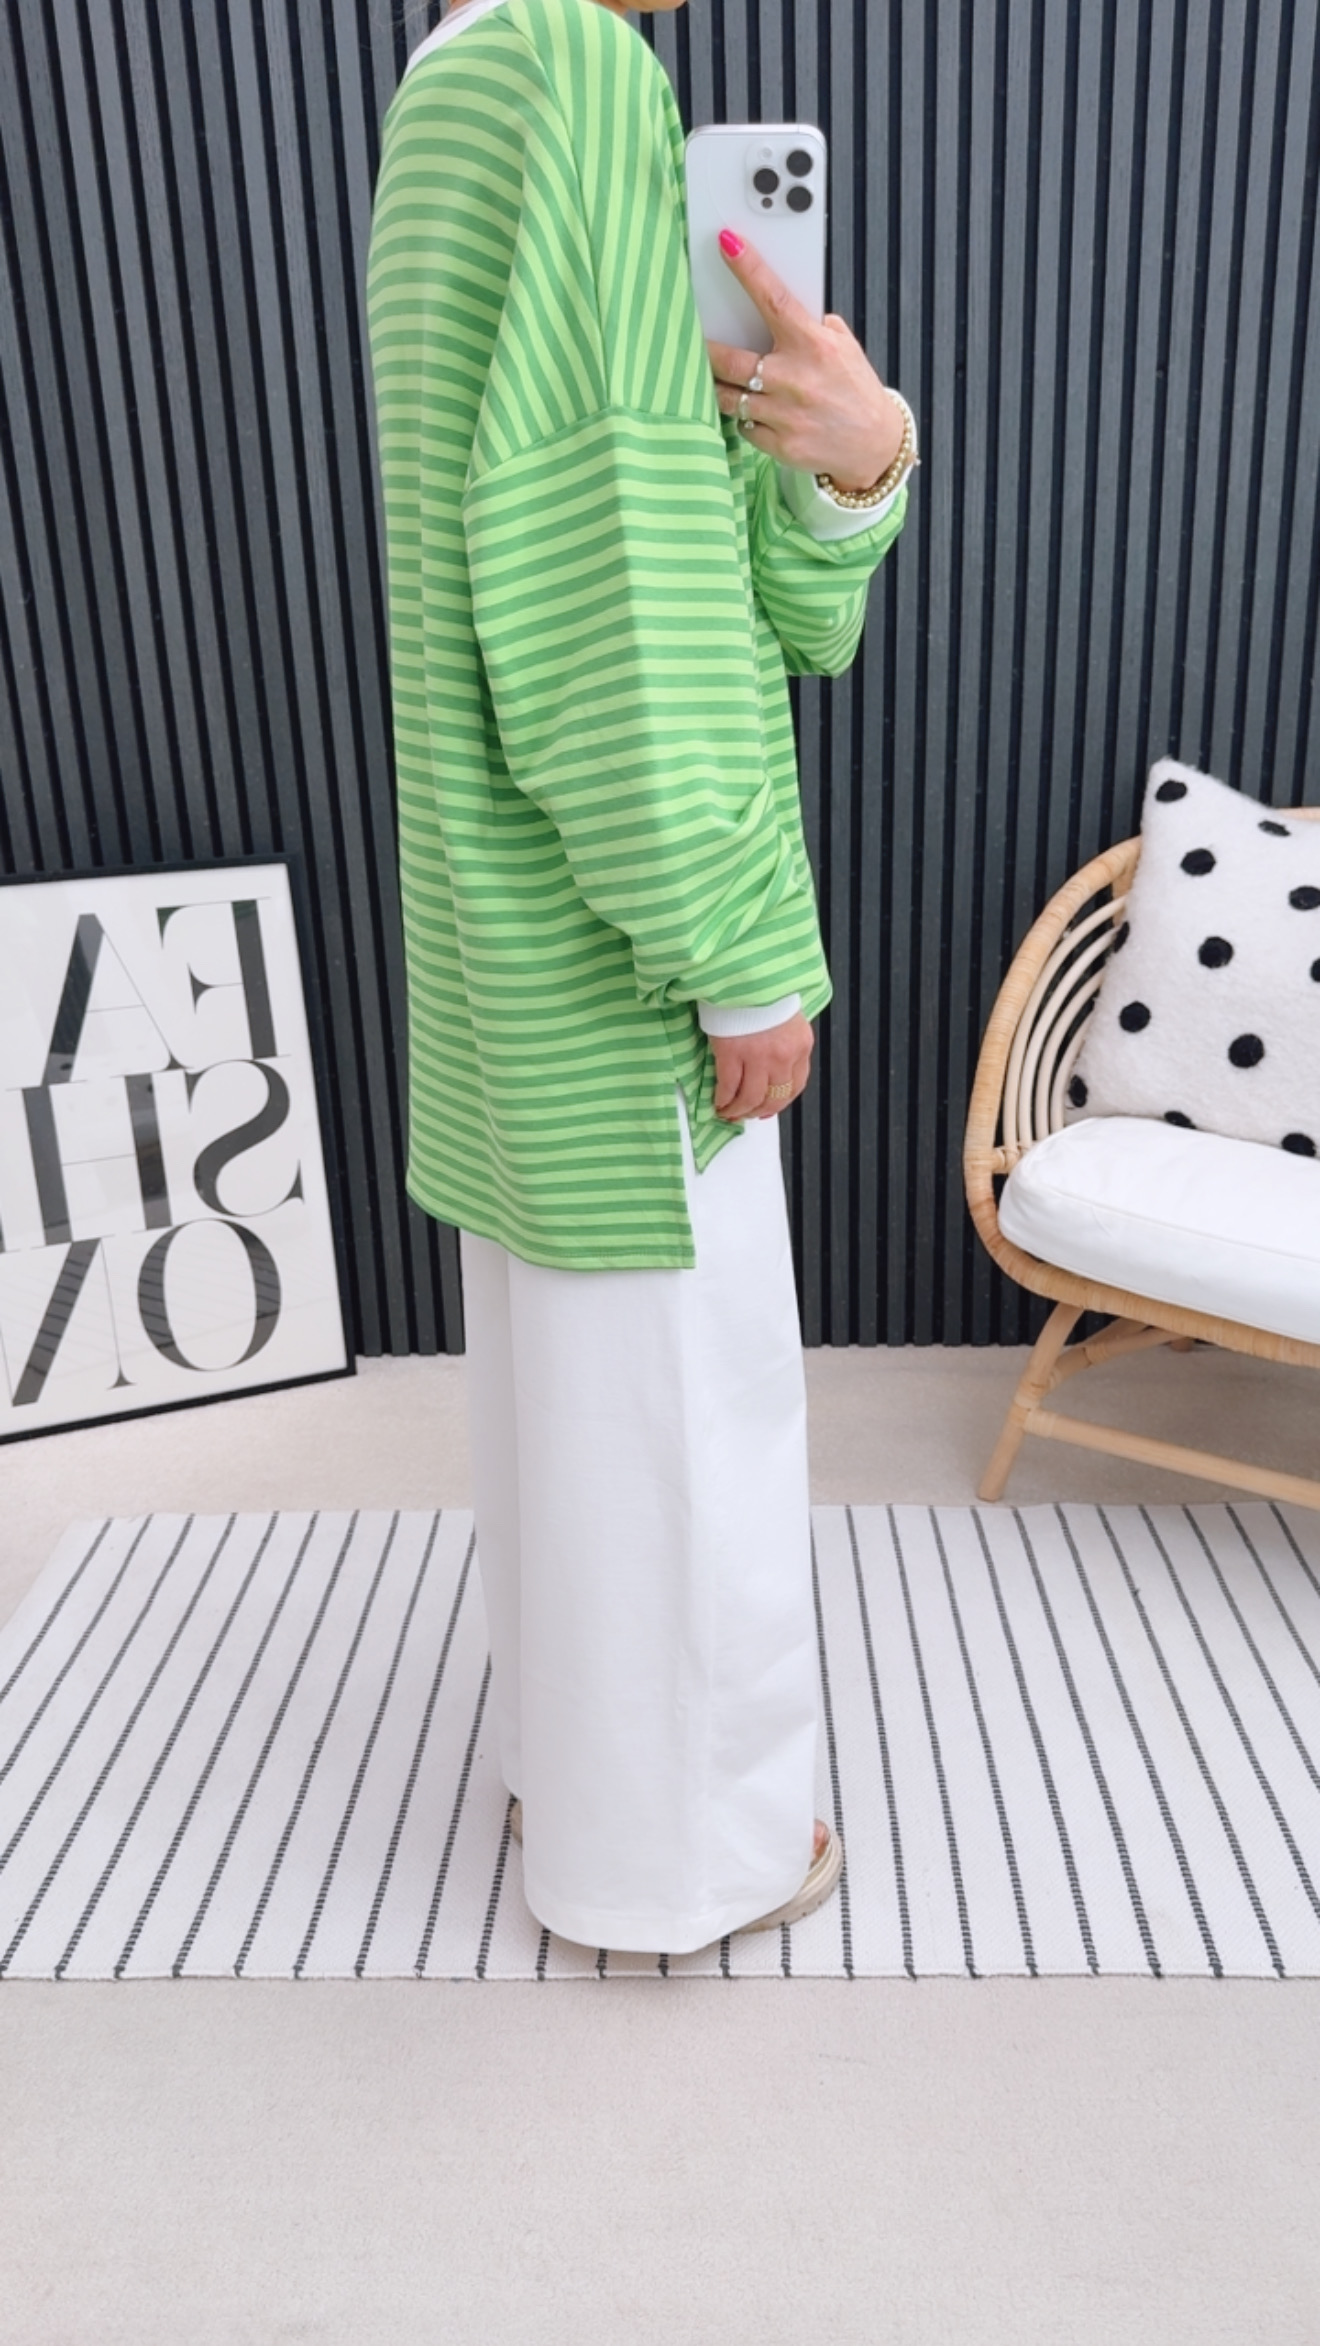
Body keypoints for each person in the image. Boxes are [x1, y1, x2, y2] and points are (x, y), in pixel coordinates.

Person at [366, 0, 915, 1954]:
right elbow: (609, 579)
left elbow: (710, 578)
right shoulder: (577, 75)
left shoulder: (453, 85)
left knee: (576, 1419)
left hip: (510, 932)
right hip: (621, 951)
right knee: (686, 1417)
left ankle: (586, 1792)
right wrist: (737, 950)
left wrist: (852, 462)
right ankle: (689, 1861)